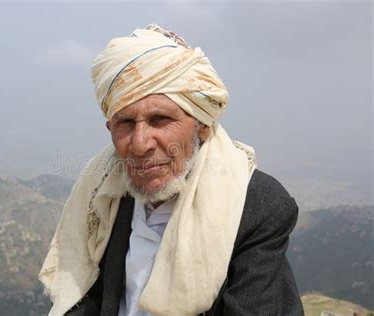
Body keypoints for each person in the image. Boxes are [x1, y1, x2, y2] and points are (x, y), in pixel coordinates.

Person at [39, 24, 304, 316]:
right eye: (125, 123)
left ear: (202, 125)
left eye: (160, 119)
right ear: (109, 128)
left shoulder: (255, 205)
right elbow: (85, 297)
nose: (140, 144)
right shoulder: (103, 194)